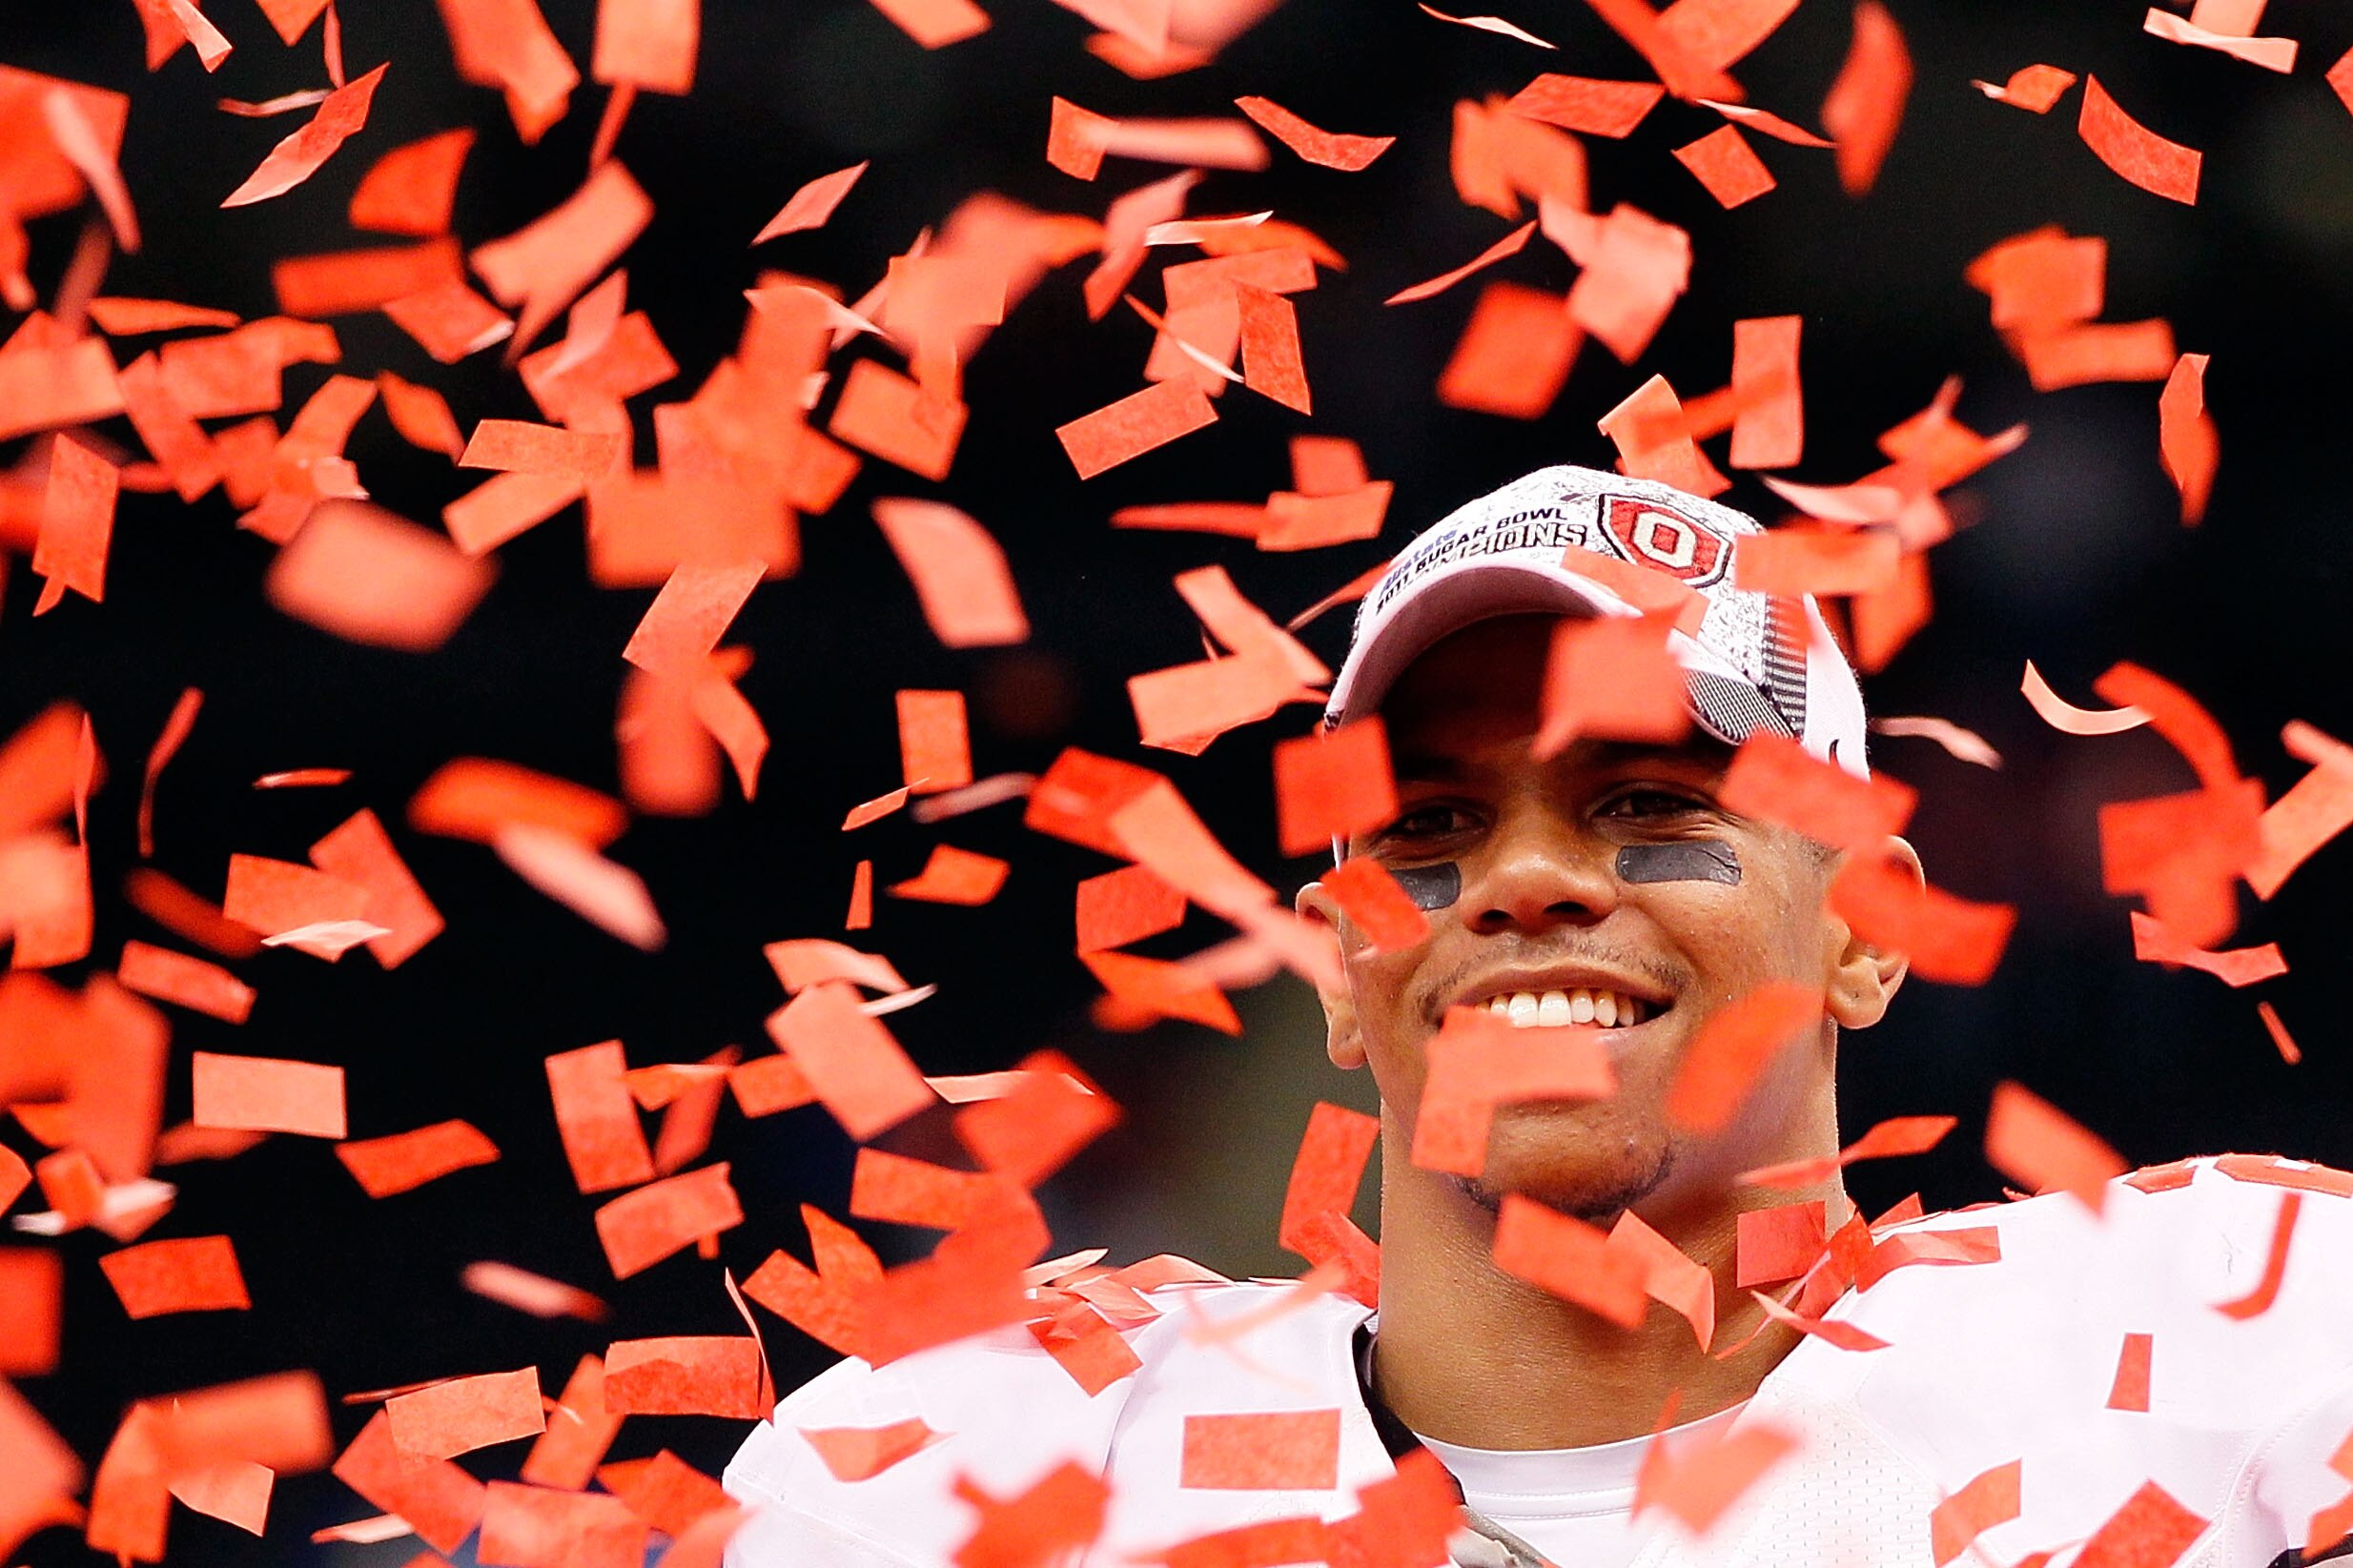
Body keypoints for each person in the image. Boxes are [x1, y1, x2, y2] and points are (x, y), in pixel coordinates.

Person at [724, 465, 2353, 1568]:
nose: (1518, 881)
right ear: (1338, 968)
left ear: (1865, 928)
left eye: (1645, 797)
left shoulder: (2236, 1339)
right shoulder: (965, 1474)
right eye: (1431, 823)